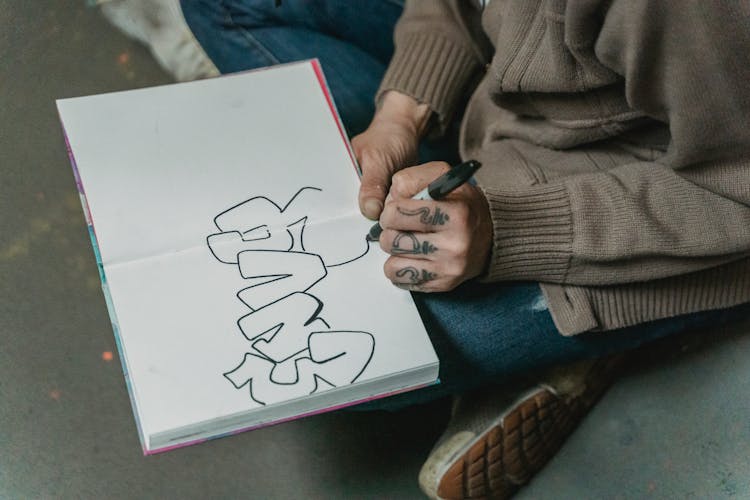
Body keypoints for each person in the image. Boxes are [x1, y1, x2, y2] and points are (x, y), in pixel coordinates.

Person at [179, 1, 750, 498]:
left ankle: (607, 323)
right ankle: (539, 321)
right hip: (518, 95)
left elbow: (736, 186)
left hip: (634, 193)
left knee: (332, 356)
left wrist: (507, 232)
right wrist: (402, 112)